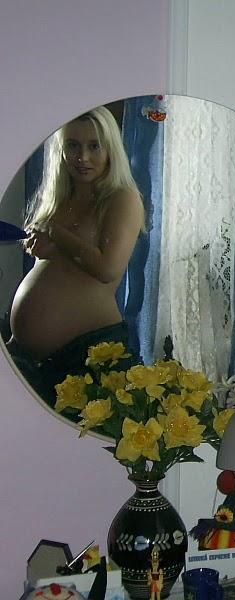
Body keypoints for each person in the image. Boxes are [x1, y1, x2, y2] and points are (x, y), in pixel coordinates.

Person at [6, 105, 144, 408]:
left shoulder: (122, 198)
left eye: (94, 146)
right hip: (27, 359)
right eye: (73, 146)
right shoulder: (59, 197)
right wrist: (42, 249)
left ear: (111, 148)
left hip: (87, 355)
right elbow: (66, 262)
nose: (83, 157)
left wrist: (55, 233)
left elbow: (107, 269)